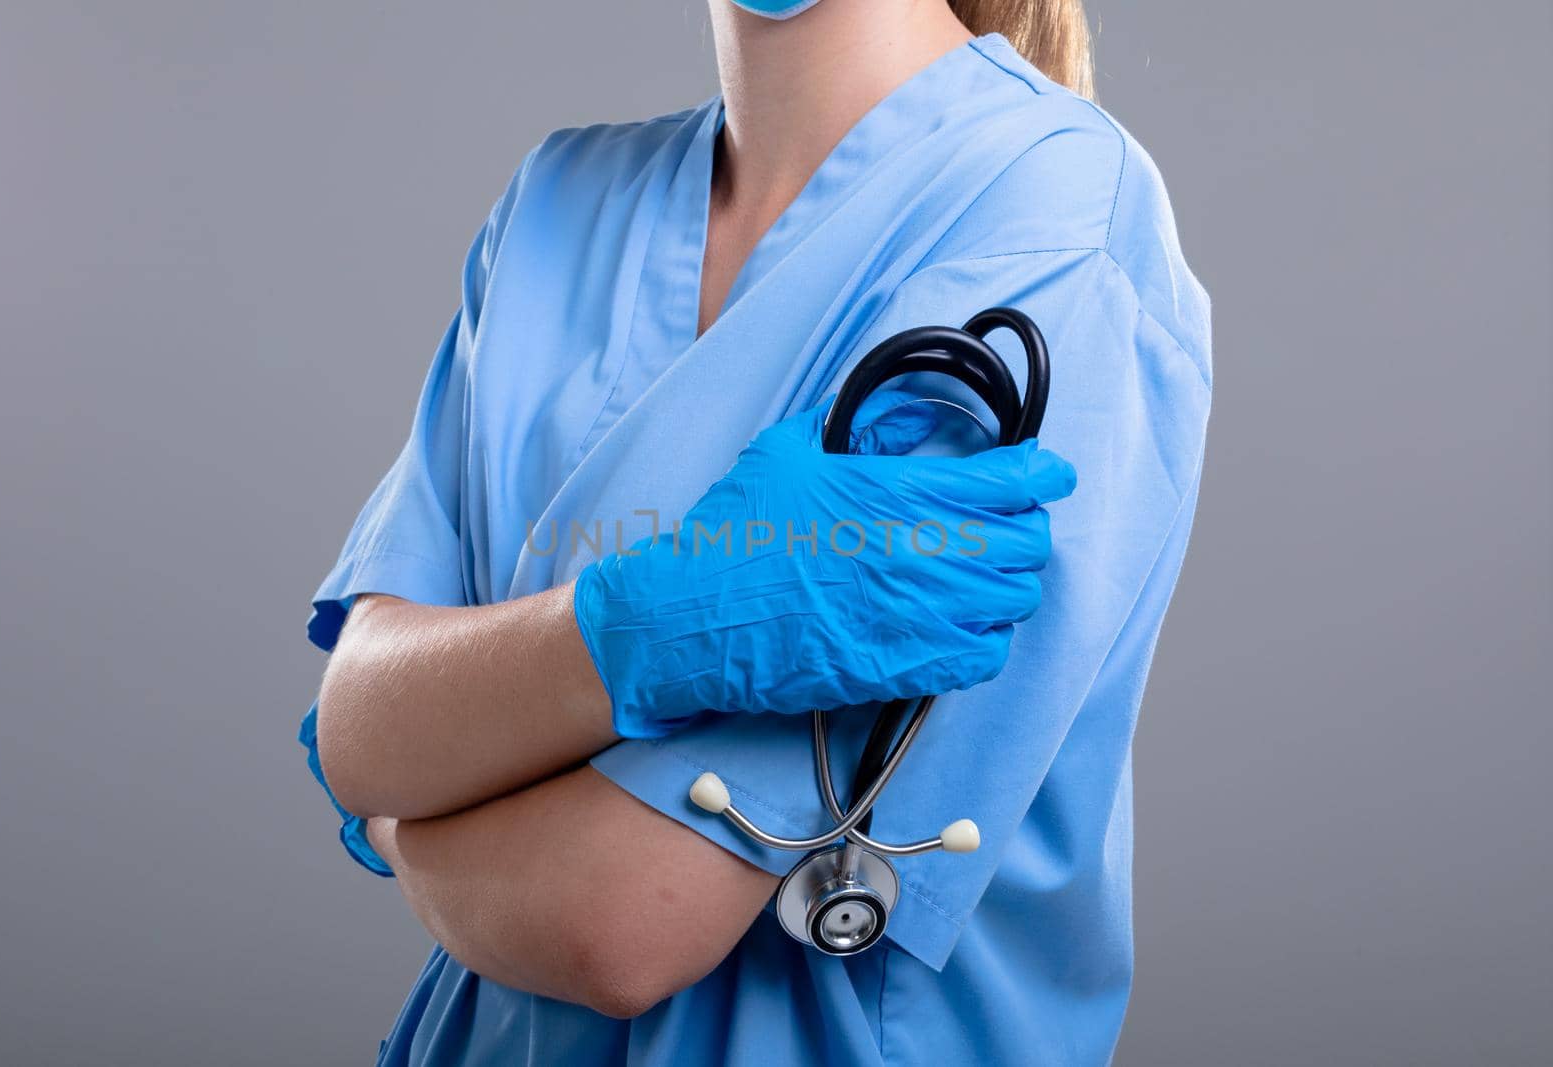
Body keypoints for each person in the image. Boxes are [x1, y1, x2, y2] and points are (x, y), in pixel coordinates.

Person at [299, 0, 1212, 1063]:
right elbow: (359, 723)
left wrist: (412, 815)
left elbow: (619, 920)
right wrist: (643, 626)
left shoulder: (1050, 211)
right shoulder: (552, 207)